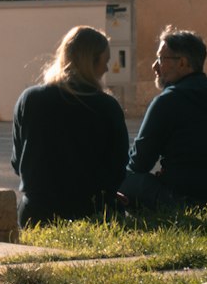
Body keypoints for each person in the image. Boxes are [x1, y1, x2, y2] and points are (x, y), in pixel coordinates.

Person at [11, 26, 129, 227]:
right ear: (91, 62)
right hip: (92, 210)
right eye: (105, 61)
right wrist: (104, 191)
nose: (107, 69)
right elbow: (118, 165)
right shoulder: (106, 106)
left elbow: (18, 162)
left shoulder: (30, 99)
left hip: (37, 212)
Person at [121, 25, 207, 209]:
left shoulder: (168, 101)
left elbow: (139, 164)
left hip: (180, 200)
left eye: (161, 58)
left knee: (119, 177)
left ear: (183, 63)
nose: (155, 66)